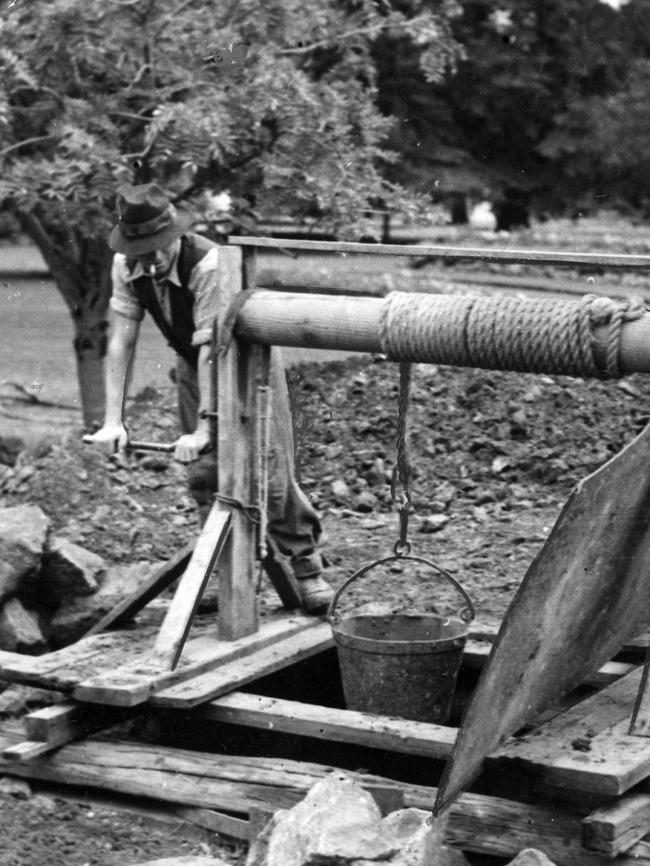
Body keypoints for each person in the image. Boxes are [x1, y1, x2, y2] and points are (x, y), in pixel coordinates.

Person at [86, 183, 333, 614]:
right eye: (140, 252)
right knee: (204, 470)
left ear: (175, 236)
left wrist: (205, 427)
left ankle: (306, 567)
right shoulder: (126, 266)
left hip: (248, 359)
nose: (151, 261)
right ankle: (221, 572)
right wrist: (113, 421)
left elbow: (212, 350)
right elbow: (121, 342)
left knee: (270, 469)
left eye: (157, 250)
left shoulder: (208, 263)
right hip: (192, 360)